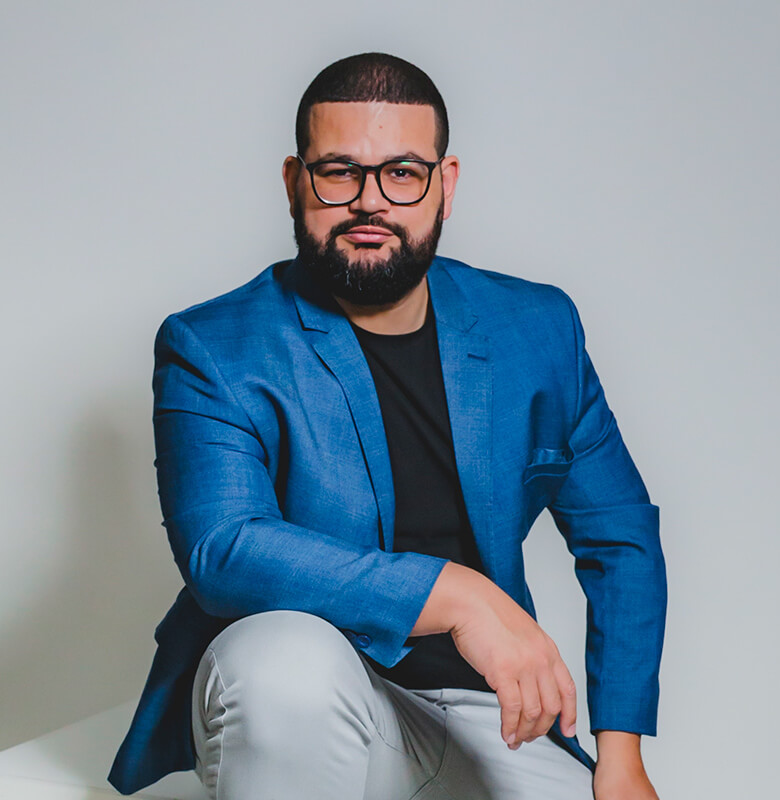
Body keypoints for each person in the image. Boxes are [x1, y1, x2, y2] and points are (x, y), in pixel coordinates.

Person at [108, 52, 666, 800]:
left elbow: (620, 535)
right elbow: (225, 548)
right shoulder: (214, 345)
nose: (370, 201)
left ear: (446, 185)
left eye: (402, 172)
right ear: (294, 182)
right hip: (311, 702)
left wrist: (621, 756)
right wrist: (459, 595)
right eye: (339, 171)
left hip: (488, 717)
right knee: (283, 659)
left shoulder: (536, 329)